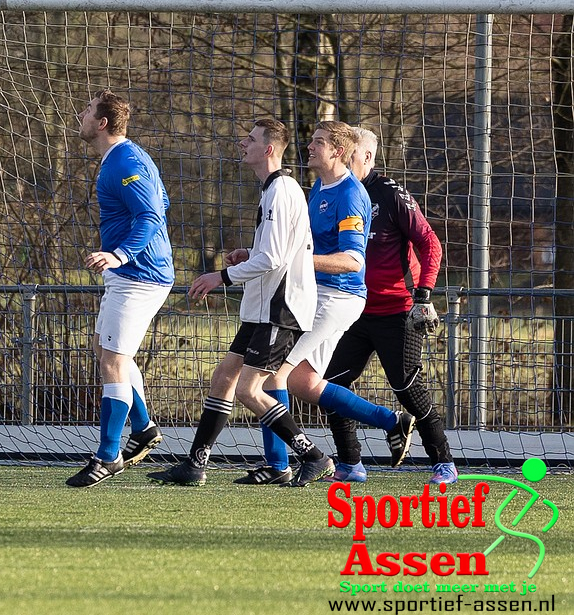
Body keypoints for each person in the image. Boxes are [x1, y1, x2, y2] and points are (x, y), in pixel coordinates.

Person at [150, 119, 334, 487]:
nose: (241, 143)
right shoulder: (274, 190)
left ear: (268, 149)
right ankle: (194, 464)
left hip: (280, 308)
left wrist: (219, 277)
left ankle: (314, 457)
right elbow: (272, 252)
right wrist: (248, 254)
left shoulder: (282, 191)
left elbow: (274, 259)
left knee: (251, 391)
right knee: (223, 380)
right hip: (262, 308)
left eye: (249, 139)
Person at [251, 121, 415, 484]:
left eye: (319, 142)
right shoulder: (318, 187)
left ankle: (279, 464)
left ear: (338, 152)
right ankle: (391, 421)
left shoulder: (351, 194)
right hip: (317, 293)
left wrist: (296, 260)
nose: (310, 146)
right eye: (311, 140)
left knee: (272, 374)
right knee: (305, 384)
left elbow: (353, 261)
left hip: (339, 296)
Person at [325, 126, 455, 485]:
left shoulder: (391, 195)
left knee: (407, 388)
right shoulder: (334, 192)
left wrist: (424, 296)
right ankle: (350, 463)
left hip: (396, 310)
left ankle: (444, 462)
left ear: (366, 156)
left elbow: (430, 242)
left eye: (348, 152)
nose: (341, 158)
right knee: (331, 383)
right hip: (351, 308)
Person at [65, 91, 173, 488]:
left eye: (86, 110)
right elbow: (163, 202)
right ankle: (143, 427)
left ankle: (107, 456)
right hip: (136, 273)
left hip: (139, 274)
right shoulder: (123, 158)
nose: (80, 114)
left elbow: (150, 213)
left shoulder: (125, 161)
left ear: (102, 123)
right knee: (106, 349)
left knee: (112, 359)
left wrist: (121, 254)